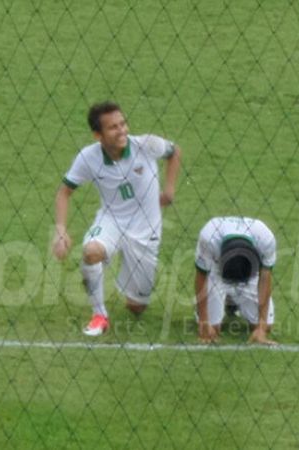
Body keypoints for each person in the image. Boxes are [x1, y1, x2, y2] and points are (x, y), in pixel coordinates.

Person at [52, 101, 181, 336]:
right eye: (113, 127)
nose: (122, 130)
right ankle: (99, 315)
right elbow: (64, 192)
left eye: (123, 124)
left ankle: (125, 278)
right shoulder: (88, 157)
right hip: (111, 222)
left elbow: (174, 152)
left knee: (137, 307)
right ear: (97, 135)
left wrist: (170, 190)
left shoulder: (147, 145)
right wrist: (61, 230)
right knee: (91, 252)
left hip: (145, 230)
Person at [194, 216, 277, 345]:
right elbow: (201, 276)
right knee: (212, 331)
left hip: (248, 273)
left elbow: (265, 279)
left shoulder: (266, 239)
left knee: (266, 326)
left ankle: (232, 301)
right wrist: (204, 321)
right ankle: (216, 303)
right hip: (216, 270)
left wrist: (261, 328)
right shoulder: (209, 237)